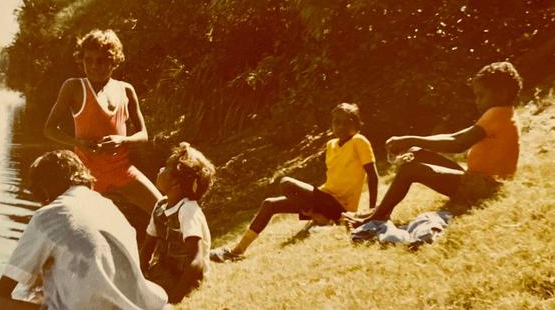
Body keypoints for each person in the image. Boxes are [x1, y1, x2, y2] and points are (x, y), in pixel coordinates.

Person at [0, 150, 168, 310]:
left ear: (45, 190)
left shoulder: (50, 215)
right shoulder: (110, 208)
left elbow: (3, 291)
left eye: (38, 195)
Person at [343, 61, 522, 227]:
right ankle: (380, 210)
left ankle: (378, 216)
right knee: (417, 152)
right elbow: (455, 136)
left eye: (481, 95)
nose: (477, 101)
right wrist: (411, 141)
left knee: (410, 170)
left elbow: (457, 144)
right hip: (477, 180)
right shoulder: (503, 114)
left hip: (482, 187)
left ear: (502, 93)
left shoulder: (497, 114)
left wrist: (409, 139)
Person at [210, 103, 379, 262]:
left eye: (345, 122)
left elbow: (373, 175)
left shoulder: (359, 141)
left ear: (355, 123)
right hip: (325, 198)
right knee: (269, 204)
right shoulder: (331, 144)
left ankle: (325, 218)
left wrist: (372, 211)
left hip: (342, 207)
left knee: (286, 183)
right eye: (336, 122)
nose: (340, 126)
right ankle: (237, 251)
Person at [44, 29, 161, 216]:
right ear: (81, 61)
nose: (94, 66)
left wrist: (122, 141)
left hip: (122, 171)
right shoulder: (73, 87)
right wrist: (78, 143)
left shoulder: (126, 90)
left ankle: (168, 244)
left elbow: (143, 135)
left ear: (114, 61)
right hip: (87, 176)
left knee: (163, 212)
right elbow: (49, 130)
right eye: (88, 60)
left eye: (101, 61)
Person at [140, 142, 215, 303]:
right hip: (163, 271)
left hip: (185, 278)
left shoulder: (188, 210)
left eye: (166, 168)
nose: (161, 169)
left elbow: (196, 260)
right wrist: (140, 273)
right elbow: (148, 245)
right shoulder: (161, 206)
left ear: (176, 183)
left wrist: (176, 296)